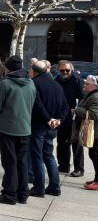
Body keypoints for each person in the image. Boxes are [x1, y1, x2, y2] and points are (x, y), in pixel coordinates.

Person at [0, 56, 36, 205]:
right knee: (22, 162)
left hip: (8, 128)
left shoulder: (6, 84)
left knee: (9, 162)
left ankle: (9, 194)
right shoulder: (30, 83)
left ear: (8, 68)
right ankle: (22, 193)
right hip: (25, 128)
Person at [28, 61, 69, 198]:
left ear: (34, 72)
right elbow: (65, 106)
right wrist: (58, 120)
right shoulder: (56, 85)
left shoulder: (34, 83)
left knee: (38, 156)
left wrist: (48, 119)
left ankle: (39, 187)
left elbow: (37, 104)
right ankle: (54, 187)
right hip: (52, 126)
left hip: (40, 125)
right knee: (48, 155)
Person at [55, 60, 84, 177]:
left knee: (76, 143)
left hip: (74, 117)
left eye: (67, 70)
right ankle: (63, 165)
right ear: (59, 70)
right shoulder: (56, 80)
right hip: (61, 116)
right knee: (61, 142)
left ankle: (79, 168)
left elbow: (82, 97)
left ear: (71, 69)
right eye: (62, 70)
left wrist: (77, 111)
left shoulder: (77, 80)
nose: (65, 72)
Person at [75, 76, 98, 191]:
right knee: (93, 155)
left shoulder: (95, 96)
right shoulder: (91, 95)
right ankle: (96, 179)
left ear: (95, 85)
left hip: (96, 133)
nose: (84, 86)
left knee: (96, 156)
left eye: (87, 84)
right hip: (94, 133)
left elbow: (94, 114)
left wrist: (77, 110)